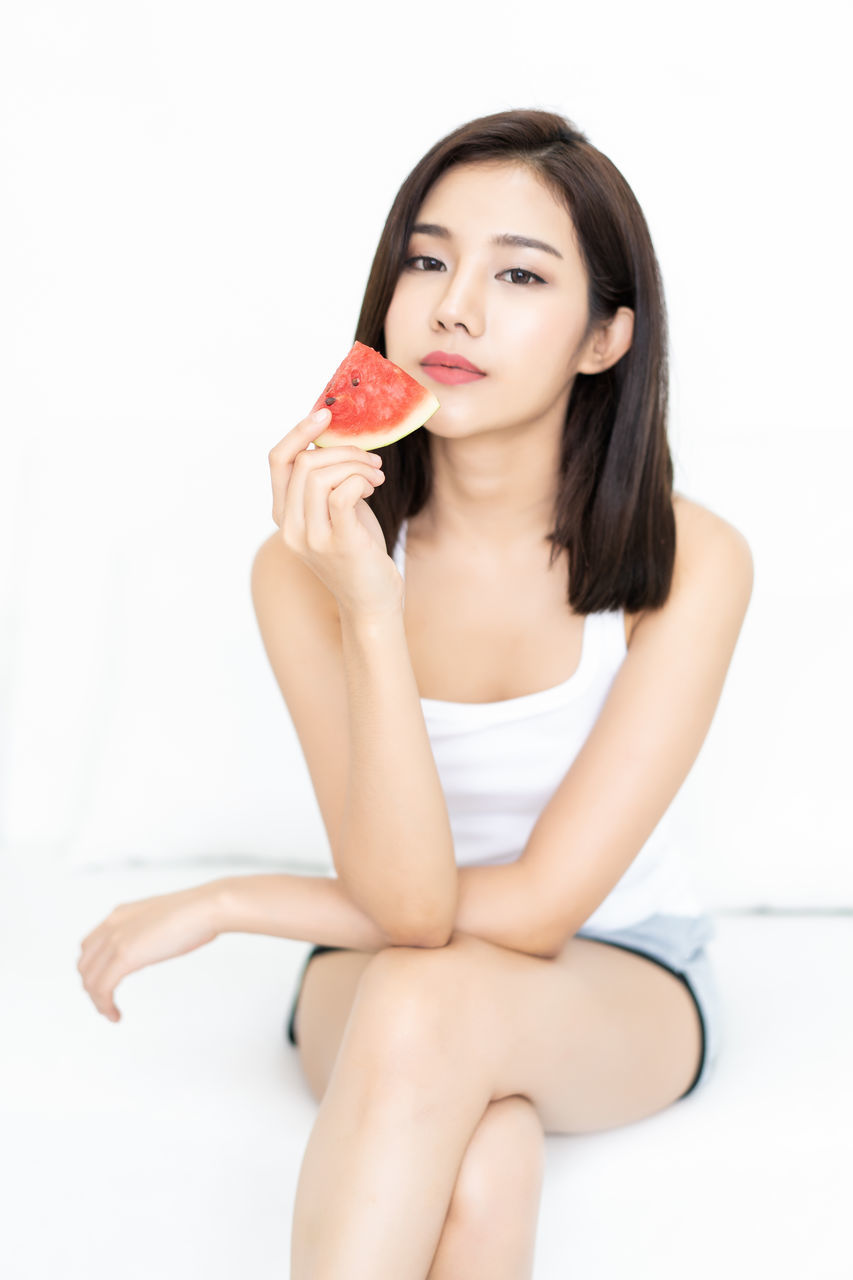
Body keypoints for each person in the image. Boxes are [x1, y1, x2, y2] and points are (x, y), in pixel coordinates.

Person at [77, 108, 754, 1278]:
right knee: (475, 1129)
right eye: (428, 259)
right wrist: (369, 609)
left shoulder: (691, 563)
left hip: (619, 964)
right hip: (377, 959)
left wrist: (237, 900)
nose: (454, 306)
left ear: (604, 339)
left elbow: (541, 908)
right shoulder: (302, 570)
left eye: (520, 273)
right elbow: (404, 906)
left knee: (432, 1003)